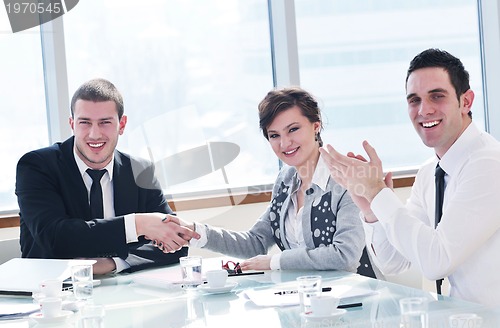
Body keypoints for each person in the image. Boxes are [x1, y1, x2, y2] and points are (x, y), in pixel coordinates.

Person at [319, 48, 500, 306]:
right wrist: (371, 209)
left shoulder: (489, 164)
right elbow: (393, 261)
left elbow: (437, 261)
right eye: (414, 100)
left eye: (437, 96)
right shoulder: (430, 172)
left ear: (466, 102)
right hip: (461, 321)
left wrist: (378, 193)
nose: (423, 110)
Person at [170, 87, 375, 275]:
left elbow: (344, 255)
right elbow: (255, 242)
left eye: (293, 129)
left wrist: (275, 262)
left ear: (316, 126)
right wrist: (195, 232)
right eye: (274, 135)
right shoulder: (286, 180)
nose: (284, 143)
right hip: (305, 299)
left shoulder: (345, 177)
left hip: (355, 301)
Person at [16, 78, 199, 274]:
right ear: (72, 124)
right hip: (52, 293)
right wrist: (137, 224)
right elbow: (55, 239)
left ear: (122, 124)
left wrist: (113, 263)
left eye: (105, 123)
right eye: (85, 122)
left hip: (124, 292)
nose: (94, 134)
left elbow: (176, 244)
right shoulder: (37, 166)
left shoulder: (140, 170)